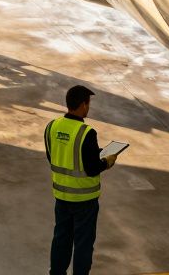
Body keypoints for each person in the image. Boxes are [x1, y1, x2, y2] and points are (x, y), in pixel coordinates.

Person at [45, 85, 117, 275]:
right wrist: (107, 161)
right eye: (88, 103)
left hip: (61, 196)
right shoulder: (86, 132)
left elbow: (53, 156)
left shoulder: (52, 126)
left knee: (61, 239)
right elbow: (92, 168)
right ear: (83, 105)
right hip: (84, 200)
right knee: (83, 244)